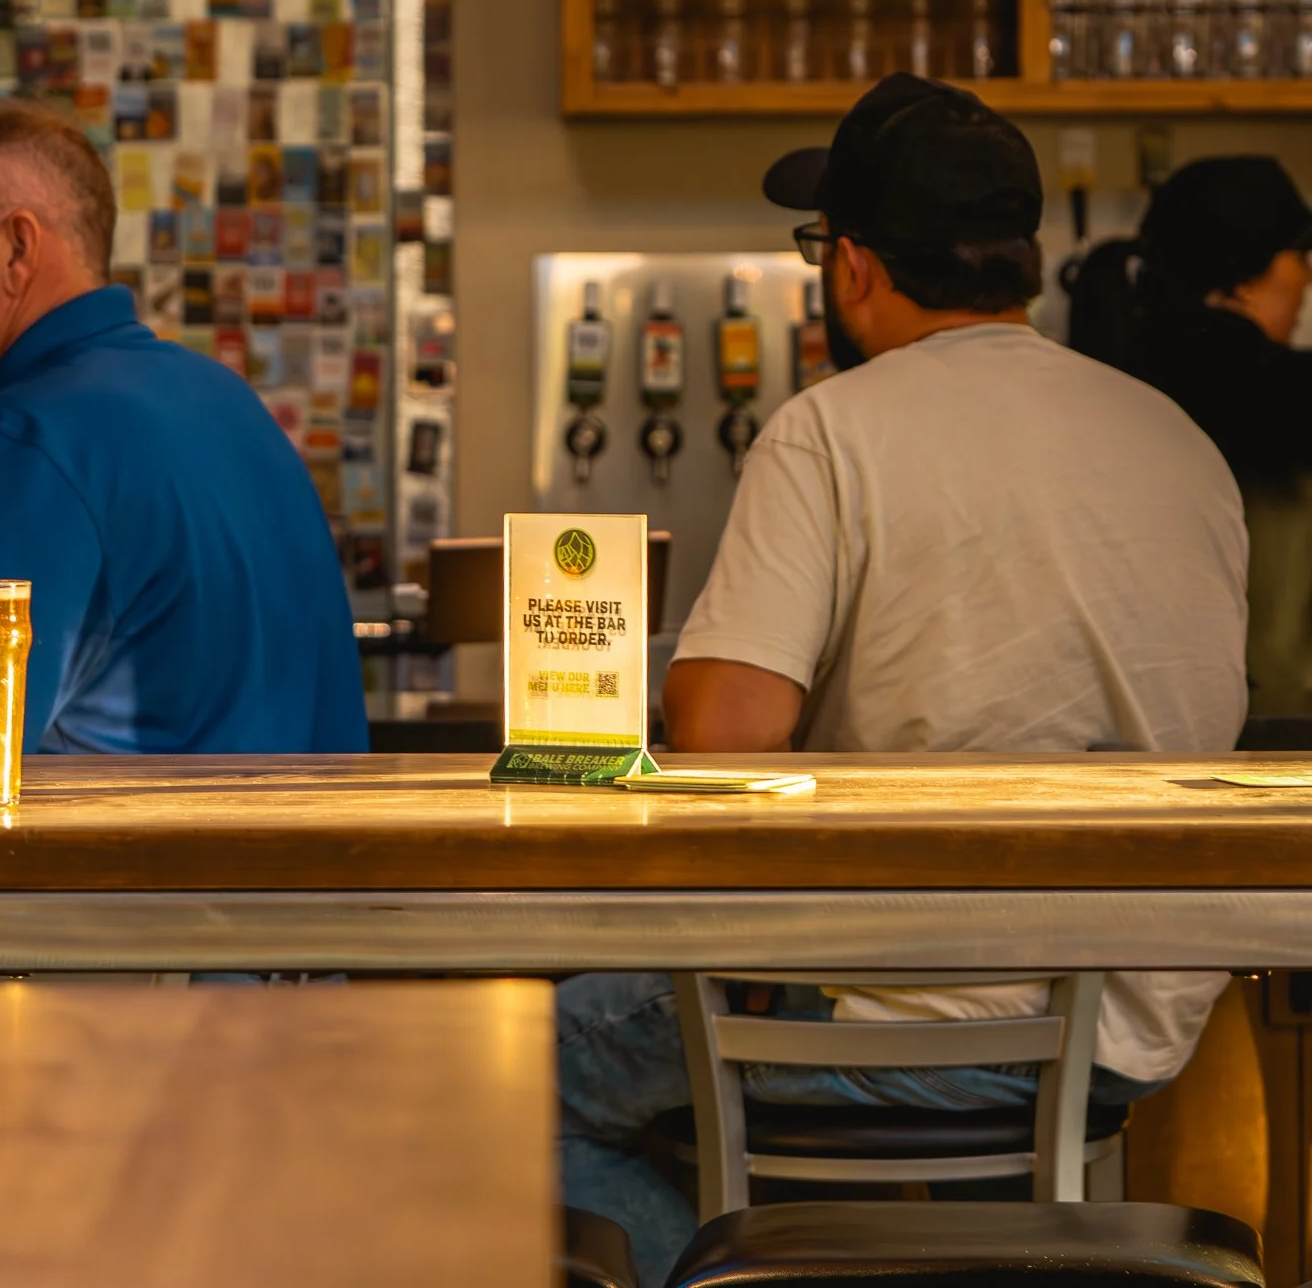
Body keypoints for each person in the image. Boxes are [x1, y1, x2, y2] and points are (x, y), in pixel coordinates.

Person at [559, 75, 1247, 1284]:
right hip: (1129, 1027)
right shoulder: (1172, 436)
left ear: (853, 266)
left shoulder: (831, 430)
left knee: (509, 1076)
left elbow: (720, 740)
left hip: (902, 1006)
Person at [0, 98, 366, 755]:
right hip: (318, 854)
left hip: (140, 860)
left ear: (16, 247)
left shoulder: (18, 444)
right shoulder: (225, 400)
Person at [1067, 156, 1312, 714]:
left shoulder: (1117, 374)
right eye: (1299, 256)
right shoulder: (1277, 393)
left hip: (1138, 715)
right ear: (1246, 273)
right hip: (1272, 726)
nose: (1307, 276)